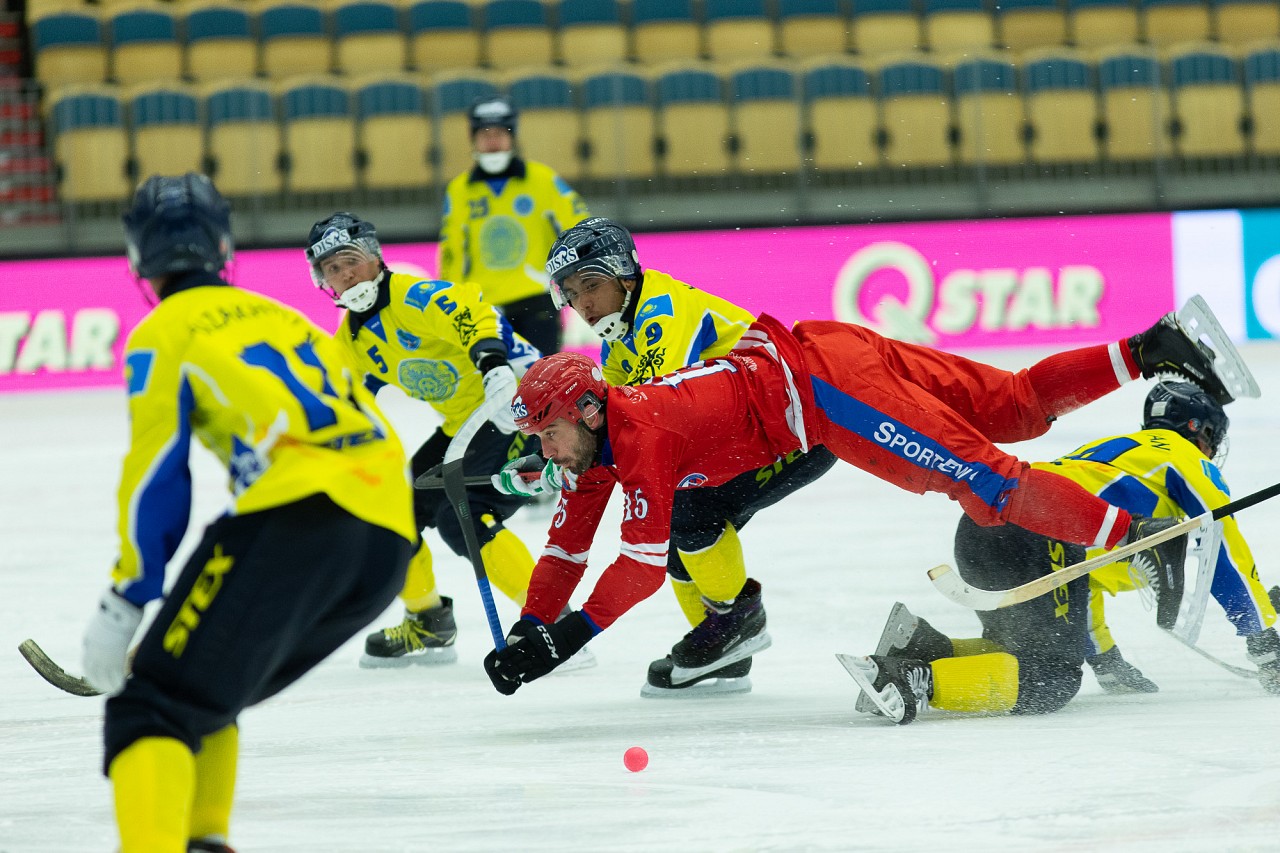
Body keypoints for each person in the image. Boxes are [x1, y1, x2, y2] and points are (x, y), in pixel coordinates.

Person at [480, 284, 1242, 695]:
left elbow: (641, 567)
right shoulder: (591, 449)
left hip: (826, 392)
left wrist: (567, 639)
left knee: (991, 485)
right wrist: (526, 634)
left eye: (548, 434)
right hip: (820, 348)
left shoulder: (638, 432)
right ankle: (1150, 348)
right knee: (1008, 404)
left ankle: (1142, 541)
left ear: (583, 409)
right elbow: (566, 546)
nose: (546, 454)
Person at [81, 174, 418, 853]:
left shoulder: (160, 333)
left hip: (300, 519)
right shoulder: (285, 317)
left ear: (139, 257)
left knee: (150, 707)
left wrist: (127, 597)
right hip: (386, 537)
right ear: (222, 244)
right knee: (203, 690)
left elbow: (157, 479)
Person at [493, 217, 837, 695]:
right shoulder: (619, 343)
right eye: (570, 294)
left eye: (590, 285)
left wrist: (565, 634)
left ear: (625, 275)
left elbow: (649, 429)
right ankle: (722, 647)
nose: (582, 305)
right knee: (674, 523)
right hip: (744, 437)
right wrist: (557, 462)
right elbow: (609, 438)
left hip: (796, 430)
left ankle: (736, 620)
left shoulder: (661, 314)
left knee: (687, 513)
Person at [845, 381, 1280, 724]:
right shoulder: (1187, 460)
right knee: (1051, 679)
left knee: (1017, 647)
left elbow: (1079, 578)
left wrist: (1104, 657)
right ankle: (914, 680)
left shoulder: (1112, 455)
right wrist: (1264, 641)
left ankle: (922, 646)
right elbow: (1223, 555)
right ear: (1197, 432)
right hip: (1040, 533)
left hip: (983, 523)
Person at [307, 212, 590, 670]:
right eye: (331, 269)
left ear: (374, 257)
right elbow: (339, 400)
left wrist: (492, 361)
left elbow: (474, 312)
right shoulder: (351, 342)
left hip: (524, 405)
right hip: (470, 421)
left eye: (349, 261)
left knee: (465, 520)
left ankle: (556, 622)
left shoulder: (413, 295)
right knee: (393, 510)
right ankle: (428, 620)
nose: (343, 274)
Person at [437, 95, 591, 357]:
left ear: (513, 137)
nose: (493, 141)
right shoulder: (459, 191)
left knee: (545, 381)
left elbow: (580, 229)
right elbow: (451, 252)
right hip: (484, 307)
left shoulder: (542, 180)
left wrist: (572, 280)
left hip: (537, 299)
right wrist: (451, 304)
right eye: (485, 134)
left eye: (499, 133)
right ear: (473, 139)